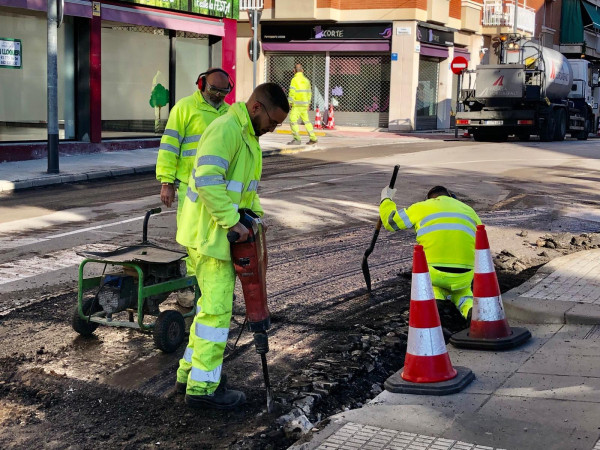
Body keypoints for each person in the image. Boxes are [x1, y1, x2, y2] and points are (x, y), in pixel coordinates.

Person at [175, 83, 289, 410]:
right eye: (273, 121)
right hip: (211, 238)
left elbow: (246, 192)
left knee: (207, 310)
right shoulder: (227, 129)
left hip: (214, 235)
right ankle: (203, 389)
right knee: (217, 312)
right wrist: (232, 222)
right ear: (256, 108)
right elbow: (207, 179)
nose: (274, 128)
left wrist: (255, 219)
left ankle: (188, 374)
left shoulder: (248, 137)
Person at [155, 68, 232, 307]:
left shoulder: (229, 114)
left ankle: (210, 287)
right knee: (191, 237)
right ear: (201, 85)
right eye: (213, 90)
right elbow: (169, 146)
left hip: (219, 189)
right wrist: (167, 182)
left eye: (223, 91)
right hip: (191, 188)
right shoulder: (185, 108)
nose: (218, 95)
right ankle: (190, 286)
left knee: (216, 240)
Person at [379, 185, 482, 320]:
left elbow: (390, 222)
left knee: (432, 285)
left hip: (434, 274)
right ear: (451, 197)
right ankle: (469, 308)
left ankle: (435, 301)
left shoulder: (421, 207)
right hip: (464, 274)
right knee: (464, 293)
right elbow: (482, 240)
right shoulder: (470, 211)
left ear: (429, 199)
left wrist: (385, 199)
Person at [287, 63, 318, 146]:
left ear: (294, 71)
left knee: (293, 120)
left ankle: (297, 139)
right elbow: (309, 93)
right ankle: (313, 138)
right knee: (307, 121)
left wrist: (289, 102)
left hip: (296, 105)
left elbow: (292, 92)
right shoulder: (307, 80)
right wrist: (308, 103)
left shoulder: (294, 80)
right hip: (304, 105)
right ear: (302, 70)